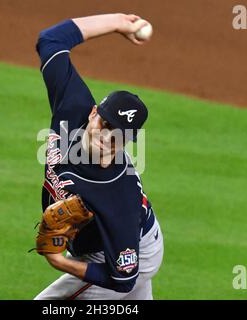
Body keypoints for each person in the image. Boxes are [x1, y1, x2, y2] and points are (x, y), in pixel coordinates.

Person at [34, 13, 164, 300]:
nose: (107, 138)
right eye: (105, 124)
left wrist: (60, 262)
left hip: (121, 256)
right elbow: (51, 40)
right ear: (93, 113)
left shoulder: (117, 196)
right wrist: (116, 22)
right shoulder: (73, 109)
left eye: (119, 134)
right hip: (127, 241)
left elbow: (122, 280)